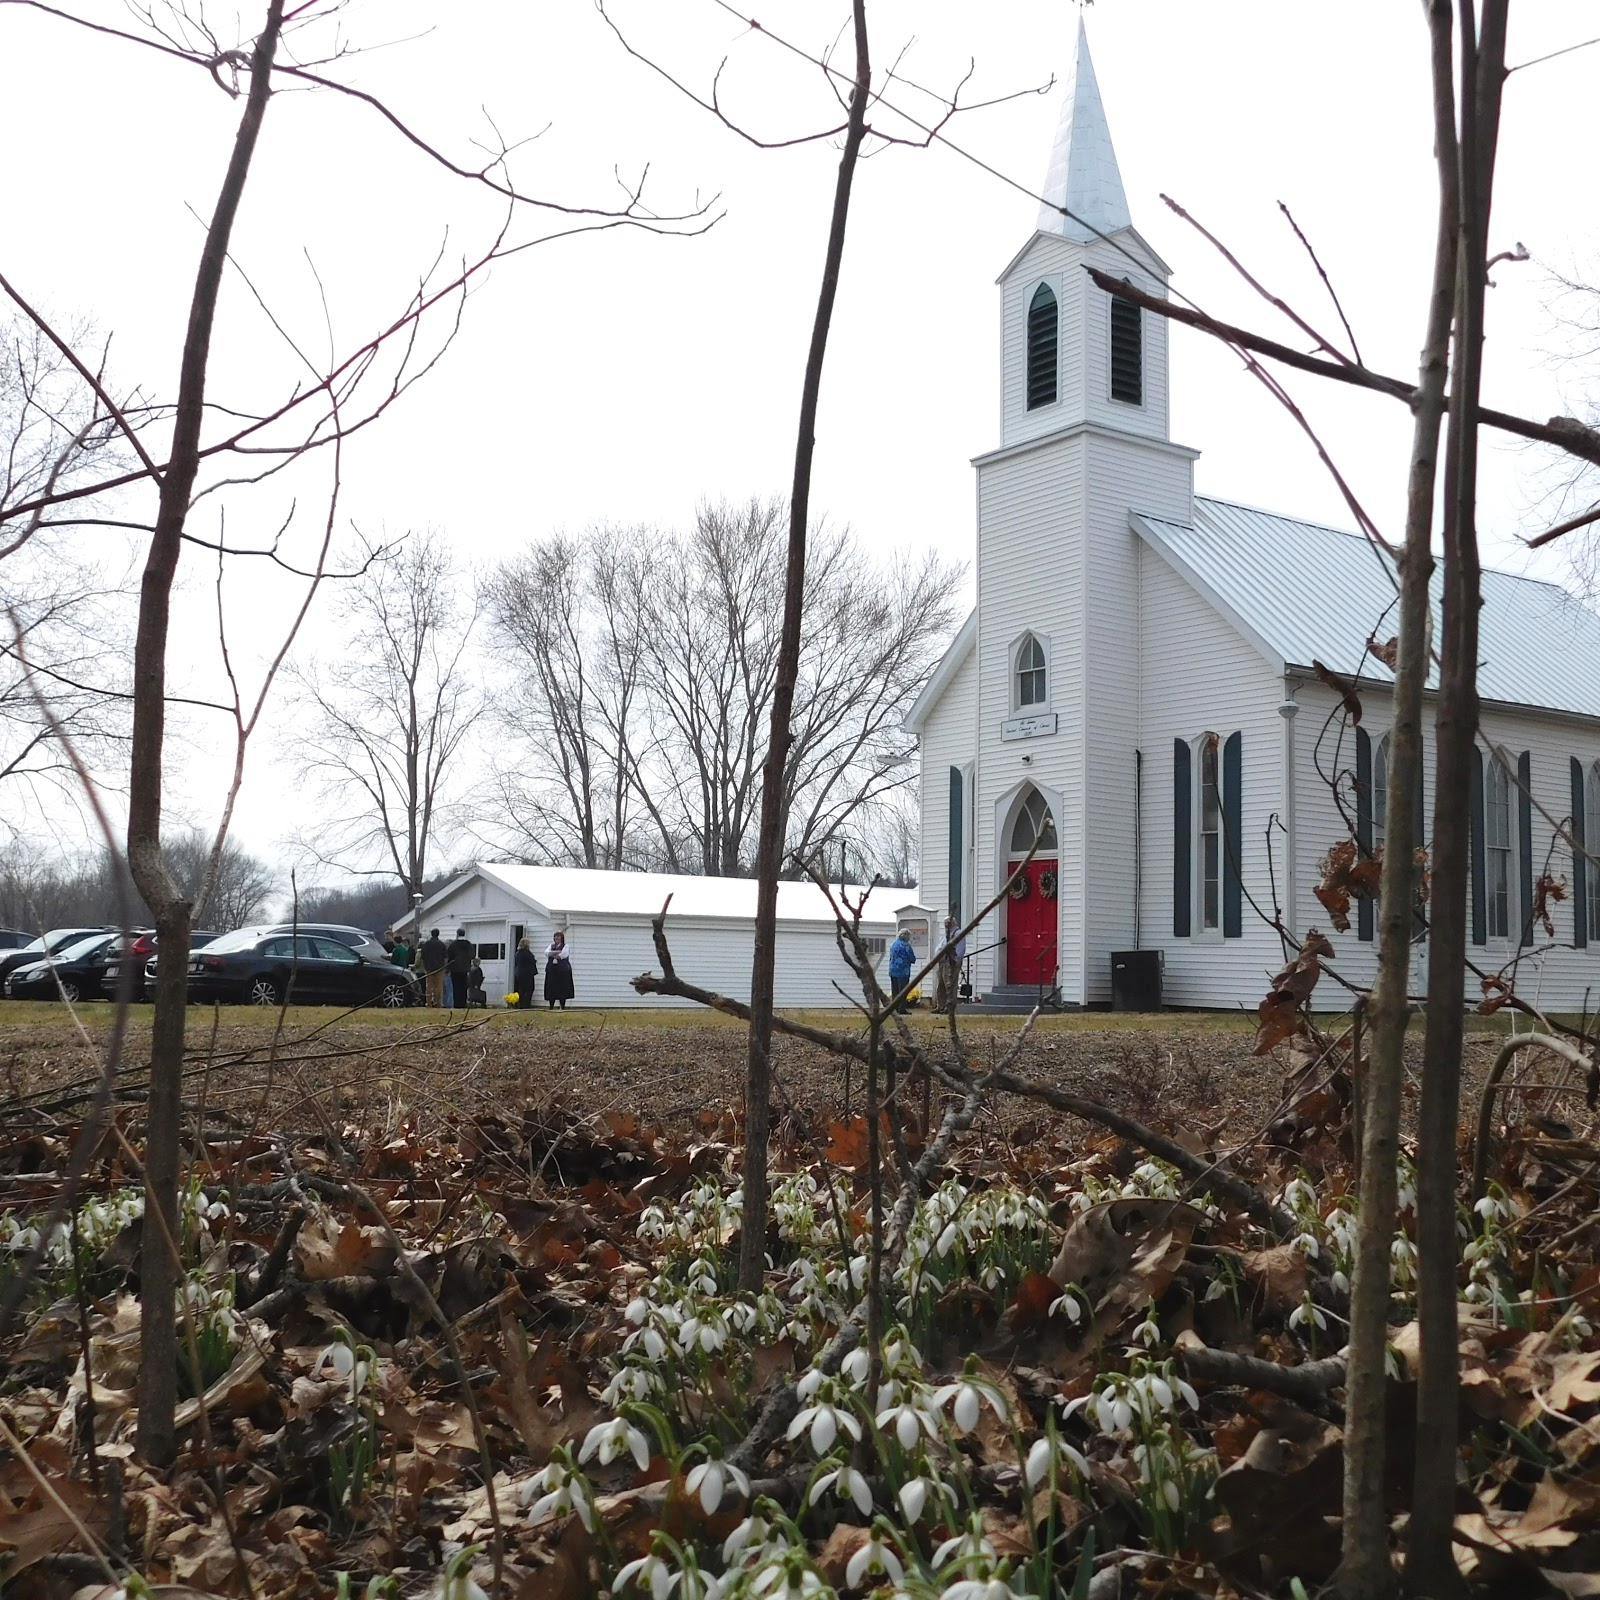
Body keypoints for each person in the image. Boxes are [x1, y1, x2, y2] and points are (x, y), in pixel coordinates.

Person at [934, 914, 967, 1014]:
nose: (945, 925)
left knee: (950, 985)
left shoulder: (958, 934)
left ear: (952, 923)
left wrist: (955, 961)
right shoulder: (946, 934)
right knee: (940, 985)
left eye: (947, 923)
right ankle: (941, 1006)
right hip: (942, 962)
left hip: (950, 962)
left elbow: (960, 950)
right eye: (945, 923)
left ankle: (949, 1007)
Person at [887, 928, 916, 1013]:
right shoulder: (906, 946)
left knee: (895, 990)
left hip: (893, 970)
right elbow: (912, 958)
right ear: (905, 936)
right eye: (909, 936)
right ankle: (902, 1008)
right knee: (903, 990)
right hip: (903, 971)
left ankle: (894, 1007)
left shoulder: (893, 944)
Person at [543, 930, 574, 1010]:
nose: (556, 938)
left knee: (562, 988)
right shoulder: (551, 946)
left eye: (558, 936)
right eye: (555, 936)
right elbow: (546, 952)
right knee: (551, 988)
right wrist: (554, 953)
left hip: (562, 971)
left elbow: (563, 955)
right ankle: (551, 1006)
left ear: (561, 938)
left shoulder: (565, 946)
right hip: (552, 970)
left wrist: (554, 954)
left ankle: (562, 1006)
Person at [446, 927, 475, 1009]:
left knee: (456, 987)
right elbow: (472, 955)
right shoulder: (468, 944)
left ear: (457, 934)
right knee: (463, 987)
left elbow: (449, 955)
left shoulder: (453, 945)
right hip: (465, 969)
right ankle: (463, 1003)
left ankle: (457, 1004)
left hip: (455, 969)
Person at [418, 928, 448, 1007]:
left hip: (428, 967)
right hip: (439, 968)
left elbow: (423, 956)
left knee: (429, 986)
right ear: (438, 934)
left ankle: (428, 1002)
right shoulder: (442, 944)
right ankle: (437, 1002)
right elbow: (445, 957)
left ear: (431, 934)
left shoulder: (426, 944)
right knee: (438, 986)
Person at [513, 936, 538, 1010]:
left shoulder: (517, 953)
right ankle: (526, 1005)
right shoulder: (526, 952)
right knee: (530, 989)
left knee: (521, 989)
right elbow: (532, 960)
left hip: (519, 973)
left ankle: (521, 1004)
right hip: (527, 973)